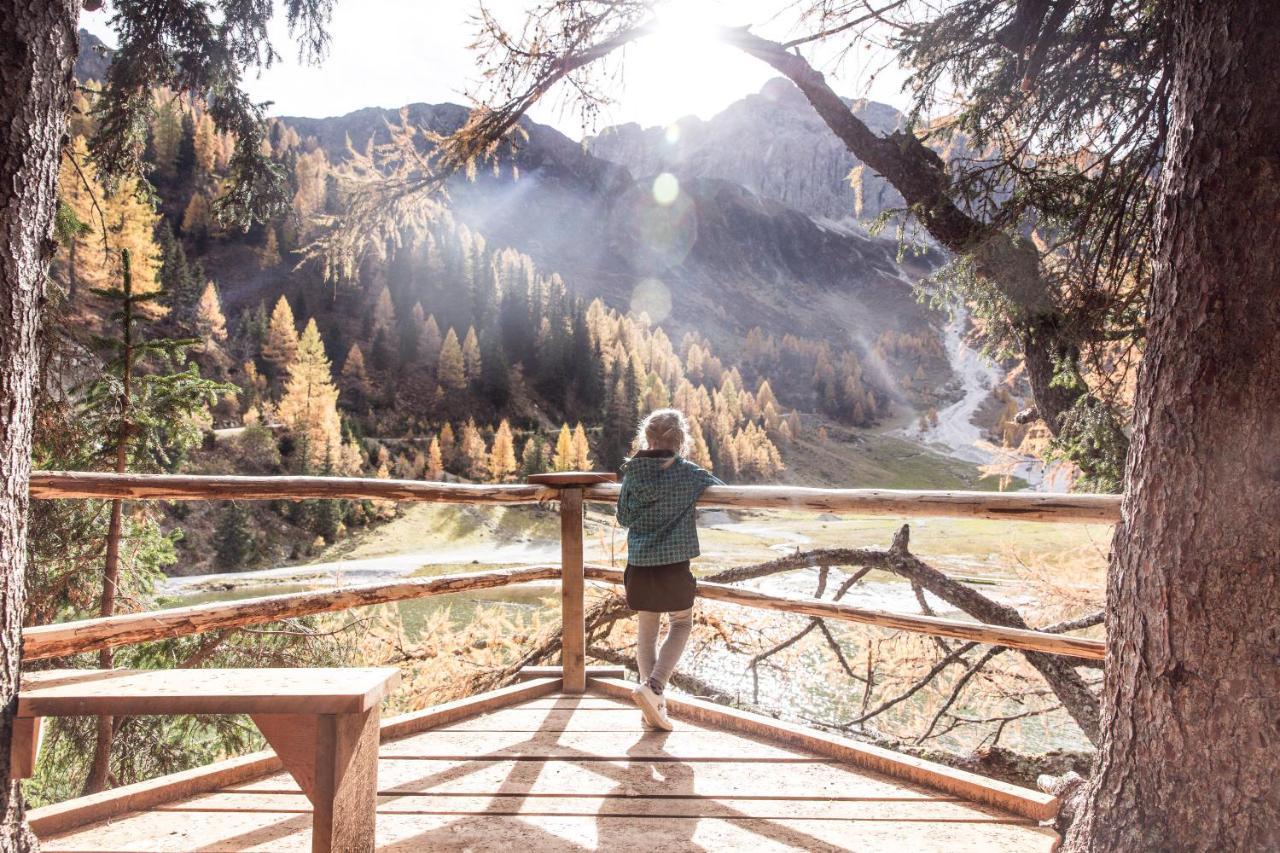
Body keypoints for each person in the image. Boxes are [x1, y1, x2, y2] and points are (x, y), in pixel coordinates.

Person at [615, 408, 723, 730]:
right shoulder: (689, 474)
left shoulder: (633, 472)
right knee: (681, 625)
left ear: (646, 439)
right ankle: (655, 687)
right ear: (681, 441)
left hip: (640, 565)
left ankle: (652, 707)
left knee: (646, 635)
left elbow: (623, 517)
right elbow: (719, 488)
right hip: (674, 566)